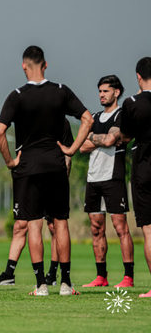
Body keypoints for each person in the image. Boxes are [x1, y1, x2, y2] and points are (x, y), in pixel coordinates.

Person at [0, 45, 92, 296]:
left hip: (28, 166)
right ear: (46, 64)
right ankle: (66, 284)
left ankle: (40, 285)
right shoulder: (60, 91)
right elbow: (88, 118)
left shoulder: (17, 95)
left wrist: (10, 161)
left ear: (24, 66)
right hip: (55, 164)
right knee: (61, 222)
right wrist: (71, 149)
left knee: (34, 225)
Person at [0, 119, 73, 286]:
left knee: (54, 226)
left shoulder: (61, 121)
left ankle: (53, 275)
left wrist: (64, 181)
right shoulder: (25, 115)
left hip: (53, 178)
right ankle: (9, 273)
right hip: (27, 178)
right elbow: (1, 134)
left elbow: (68, 156)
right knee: (20, 225)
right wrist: (12, 163)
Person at [79, 75, 134, 288]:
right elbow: (81, 147)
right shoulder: (93, 117)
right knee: (96, 228)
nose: (102, 95)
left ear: (116, 92)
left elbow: (111, 139)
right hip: (93, 178)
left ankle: (128, 277)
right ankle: (101, 276)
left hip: (114, 177)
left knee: (120, 227)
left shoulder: (122, 115)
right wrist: (99, 139)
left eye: (106, 91)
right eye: (100, 91)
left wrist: (93, 138)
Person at [120, 57, 151, 298]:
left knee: (150, 232)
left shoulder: (131, 103)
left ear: (138, 77)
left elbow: (125, 136)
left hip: (144, 170)